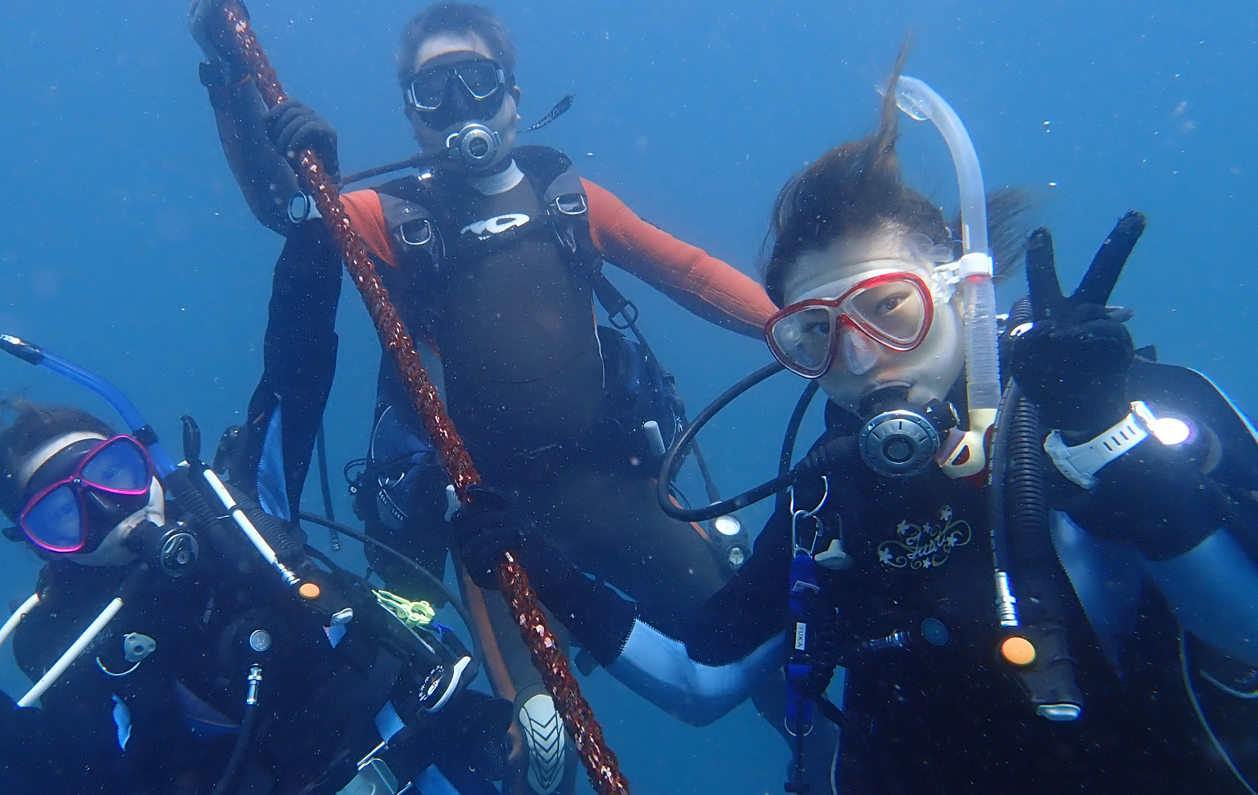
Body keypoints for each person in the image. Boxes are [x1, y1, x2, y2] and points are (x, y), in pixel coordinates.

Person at [455, 54, 1258, 794]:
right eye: (818, 333)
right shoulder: (825, 495)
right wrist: (538, 569)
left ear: (962, 291)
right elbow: (703, 683)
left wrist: (1113, 445)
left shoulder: (1121, 405)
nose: (865, 358)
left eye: (889, 309)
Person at [187, 1, 780, 793]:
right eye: (434, 92)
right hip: (491, 519)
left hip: (609, 487)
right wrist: (244, 96)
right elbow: (290, 213)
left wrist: (810, 334)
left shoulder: (572, 202)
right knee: (537, 752)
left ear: (514, 96)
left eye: (478, 80)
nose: (461, 106)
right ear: (411, 117)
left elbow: (694, 275)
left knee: (753, 647)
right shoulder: (394, 218)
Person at [0, 400, 510, 795]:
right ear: (41, 546)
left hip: (439, 745)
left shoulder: (241, 508)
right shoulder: (70, 641)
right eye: (66, 514)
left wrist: (302, 211)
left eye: (115, 476)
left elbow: (298, 355)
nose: (114, 516)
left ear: (147, 463)